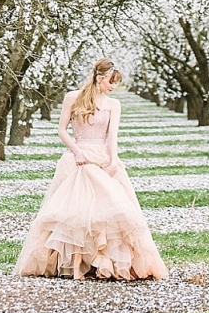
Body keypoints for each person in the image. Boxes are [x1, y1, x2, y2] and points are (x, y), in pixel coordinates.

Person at [12, 58, 169, 281]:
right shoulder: (72, 98)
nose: (113, 86)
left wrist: (113, 160)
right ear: (99, 78)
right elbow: (62, 130)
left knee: (113, 209)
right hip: (78, 158)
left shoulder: (113, 104)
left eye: (116, 82)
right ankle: (74, 263)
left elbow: (112, 136)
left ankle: (104, 262)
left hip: (102, 157)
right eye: (110, 81)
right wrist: (76, 151)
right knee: (74, 212)